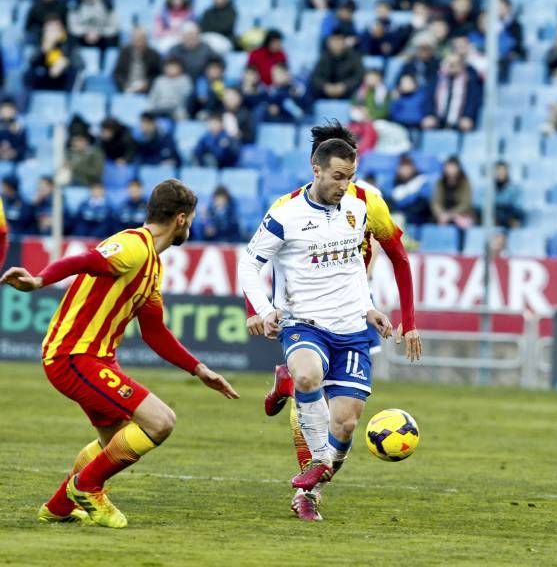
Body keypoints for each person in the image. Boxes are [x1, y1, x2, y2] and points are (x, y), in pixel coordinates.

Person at [0, 179, 239, 528]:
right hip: (73, 356)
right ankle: (87, 486)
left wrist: (199, 369)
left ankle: (58, 507)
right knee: (160, 422)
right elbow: (84, 260)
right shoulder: (133, 246)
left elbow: (154, 332)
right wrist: (38, 281)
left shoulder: (152, 266)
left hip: (93, 359)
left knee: (114, 442)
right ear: (182, 219)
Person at [244, 122, 422, 521]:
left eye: (350, 175)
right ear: (318, 166)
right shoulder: (286, 210)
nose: (344, 184)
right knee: (309, 383)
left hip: (353, 318)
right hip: (304, 319)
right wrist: (256, 310)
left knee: (343, 422)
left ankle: (314, 483)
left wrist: (384, 311)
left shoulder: (365, 205)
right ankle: (310, 454)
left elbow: (385, 260)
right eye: (338, 174)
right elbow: (253, 264)